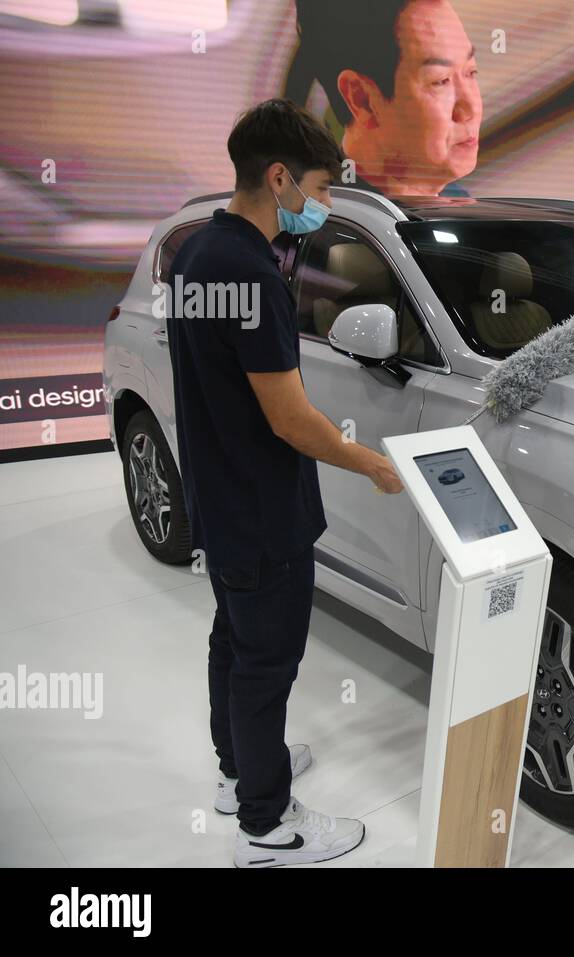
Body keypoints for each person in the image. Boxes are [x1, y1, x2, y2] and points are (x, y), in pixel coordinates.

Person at [167, 99, 404, 868]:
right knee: (268, 660)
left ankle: (242, 773)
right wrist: (370, 461)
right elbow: (289, 418)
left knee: (235, 642)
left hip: (222, 497)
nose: (324, 206)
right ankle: (269, 830)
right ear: (279, 178)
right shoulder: (251, 272)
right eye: (320, 188)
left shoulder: (199, 256)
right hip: (263, 509)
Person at [286, 0, 481, 199]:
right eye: (441, 81)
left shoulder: (456, 200)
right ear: (362, 100)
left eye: (471, 72)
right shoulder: (322, 220)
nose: (470, 108)